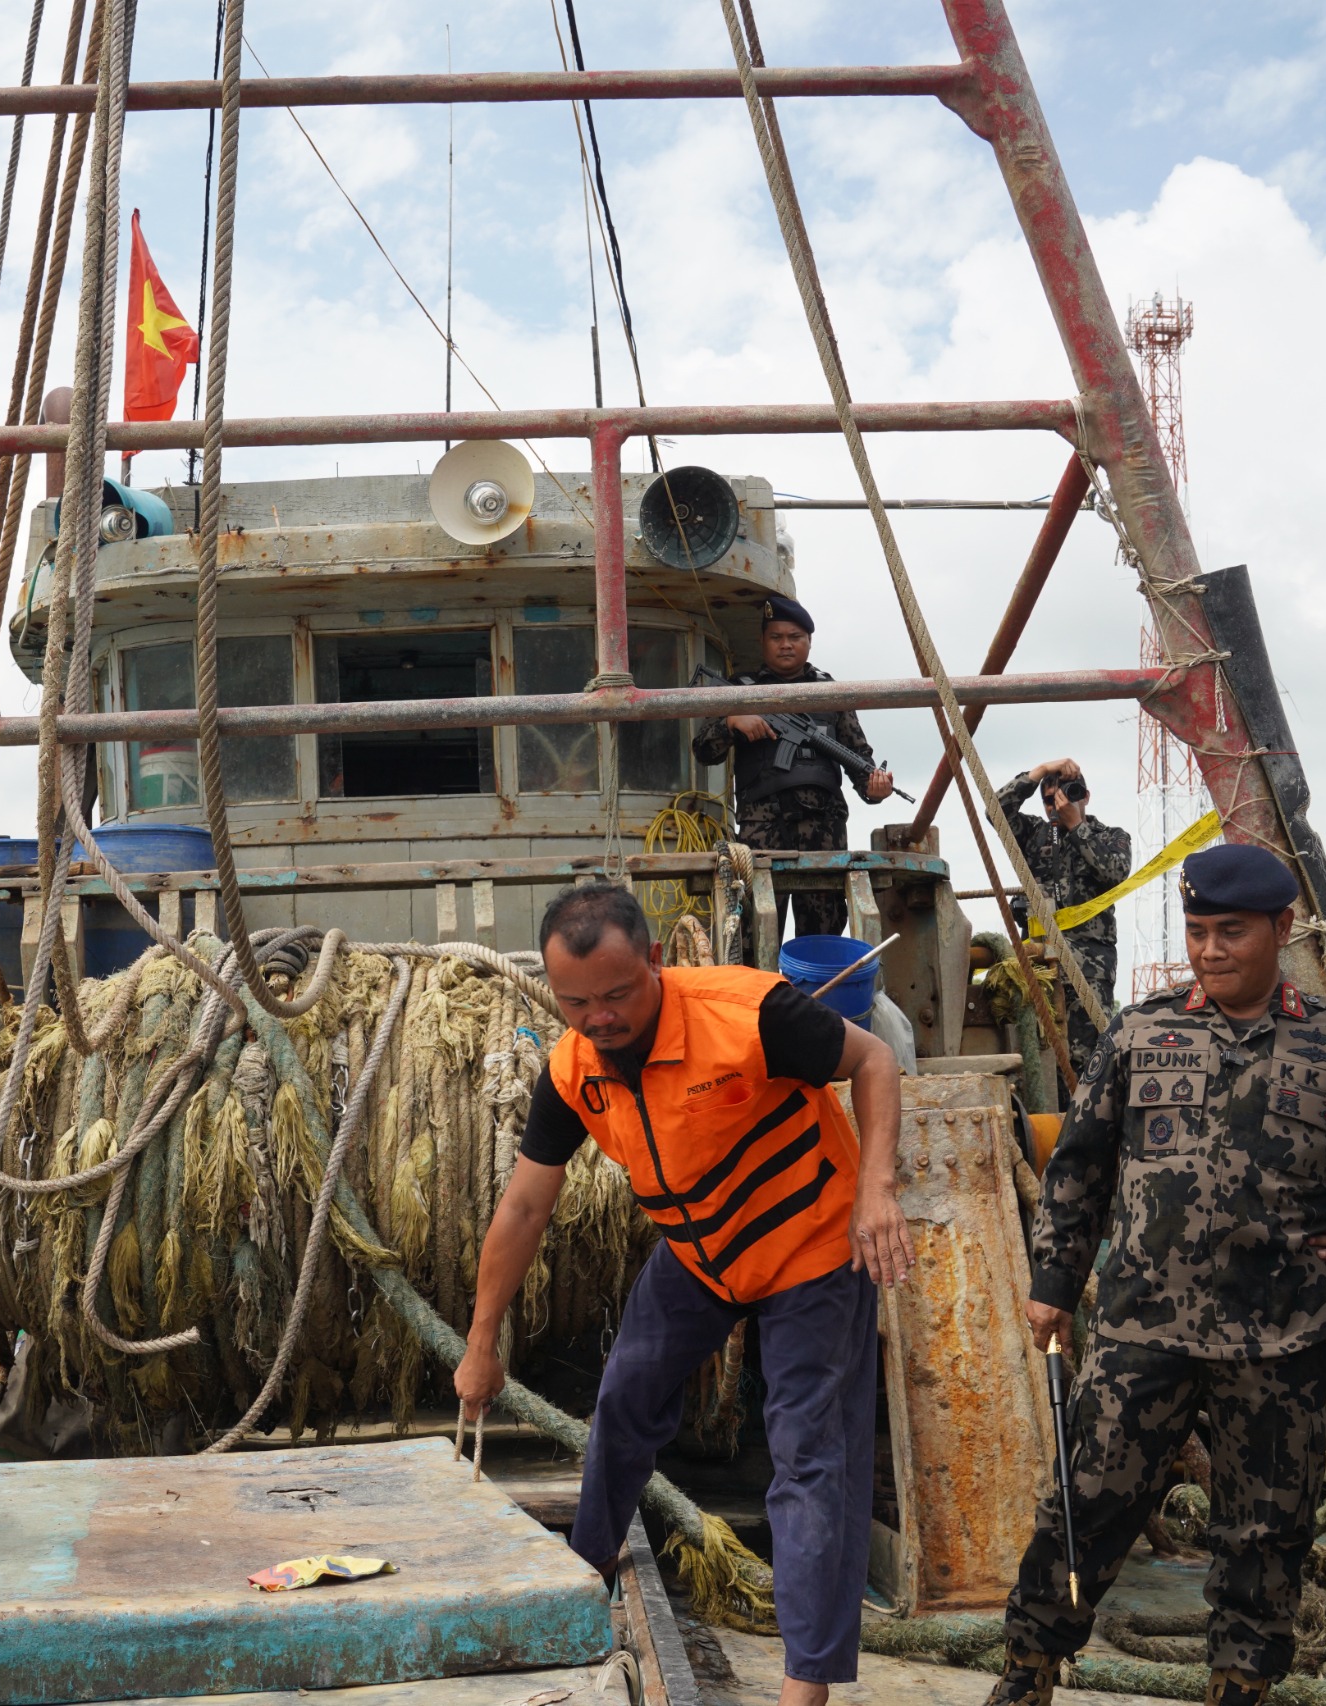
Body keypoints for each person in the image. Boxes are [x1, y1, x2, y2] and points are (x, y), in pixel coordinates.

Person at [988, 843, 1326, 1706]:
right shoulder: (1140, 1031)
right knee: (1085, 1507)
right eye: (1199, 931)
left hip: (1281, 1339)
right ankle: (1028, 1674)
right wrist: (1055, 1284)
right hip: (1142, 1328)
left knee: (1265, 1533)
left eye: (1232, 932)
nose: (1211, 950)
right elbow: (1078, 1168)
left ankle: (1240, 1688)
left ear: (1282, 930)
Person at [455, 884, 907, 1706]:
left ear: (657, 962)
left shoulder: (751, 1014)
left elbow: (873, 1061)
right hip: (701, 1255)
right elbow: (524, 1206)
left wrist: (878, 1190)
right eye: (576, 1002)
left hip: (812, 1248)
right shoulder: (573, 1072)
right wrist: (482, 1345)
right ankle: (586, 1568)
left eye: (618, 995)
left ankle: (806, 1686)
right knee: (624, 1397)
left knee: (808, 1461)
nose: (600, 1019)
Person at [691, 596, 895, 937]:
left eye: (795, 637)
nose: (786, 644)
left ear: (809, 642)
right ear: (763, 641)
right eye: (776, 637)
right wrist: (731, 722)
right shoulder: (741, 690)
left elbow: (861, 763)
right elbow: (703, 751)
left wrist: (877, 789)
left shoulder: (831, 693)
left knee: (824, 933)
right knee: (753, 930)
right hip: (762, 826)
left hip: (823, 829)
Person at [997, 758, 1132, 1057]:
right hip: (1040, 959)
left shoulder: (1112, 836)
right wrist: (1041, 770)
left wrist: (1075, 826)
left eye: (1067, 794)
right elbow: (996, 810)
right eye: (1048, 800)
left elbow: (1115, 873)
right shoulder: (1034, 834)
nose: (1056, 805)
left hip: (1089, 967)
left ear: (1085, 795)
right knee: (1041, 1053)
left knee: (1091, 1057)